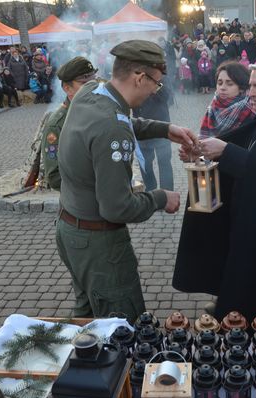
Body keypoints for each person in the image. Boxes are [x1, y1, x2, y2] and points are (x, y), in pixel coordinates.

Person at [56, 40, 195, 321]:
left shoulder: (91, 91)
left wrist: (165, 129)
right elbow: (116, 207)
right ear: (139, 77)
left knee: (86, 317)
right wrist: (160, 198)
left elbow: (118, 121)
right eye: (156, 83)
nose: (156, 90)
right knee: (122, 326)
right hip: (100, 245)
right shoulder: (112, 128)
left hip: (71, 231)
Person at [173, 52, 256, 322]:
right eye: (250, 85)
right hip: (246, 227)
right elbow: (247, 155)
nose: (250, 93)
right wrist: (204, 155)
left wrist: (226, 151)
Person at [40, 57, 98, 191]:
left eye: (94, 82)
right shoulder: (57, 124)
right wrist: (96, 185)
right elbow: (55, 177)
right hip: (82, 202)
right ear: (67, 88)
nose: (93, 88)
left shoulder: (98, 109)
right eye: (85, 84)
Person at [134, 80, 174, 192]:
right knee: (145, 164)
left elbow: (167, 97)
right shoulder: (135, 79)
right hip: (142, 128)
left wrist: (154, 85)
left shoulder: (159, 78)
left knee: (164, 162)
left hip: (162, 126)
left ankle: (167, 193)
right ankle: (151, 190)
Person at [199, 62, 255, 138]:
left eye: (229, 84)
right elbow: (202, 139)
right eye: (220, 83)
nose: (222, 87)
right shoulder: (213, 106)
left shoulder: (251, 109)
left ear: (241, 87)